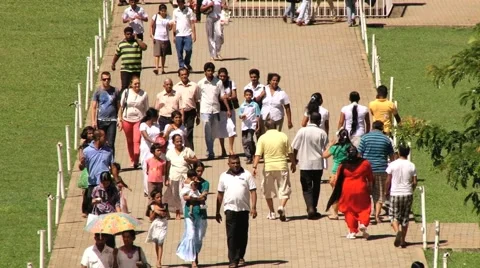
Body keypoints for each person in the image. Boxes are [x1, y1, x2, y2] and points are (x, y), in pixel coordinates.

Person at [216, 155, 257, 268]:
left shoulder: (247, 174)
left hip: (244, 210)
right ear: (228, 164)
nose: (236, 165)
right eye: (233, 163)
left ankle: (240, 256)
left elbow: (253, 191)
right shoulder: (223, 176)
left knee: (242, 235)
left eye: (237, 162)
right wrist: (217, 211)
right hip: (230, 210)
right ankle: (233, 260)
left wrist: (254, 207)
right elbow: (220, 194)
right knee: (231, 235)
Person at [252, 119, 296, 221]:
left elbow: (258, 154)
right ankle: (281, 206)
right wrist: (293, 163)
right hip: (282, 166)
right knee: (284, 189)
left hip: (268, 168)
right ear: (276, 126)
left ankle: (272, 212)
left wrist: (254, 167)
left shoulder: (262, 138)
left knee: (268, 191)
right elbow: (290, 152)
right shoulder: (283, 136)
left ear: (266, 127)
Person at [326, 146, 374, 240]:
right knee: (364, 208)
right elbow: (370, 178)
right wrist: (370, 187)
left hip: (347, 190)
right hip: (361, 188)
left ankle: (352, 231)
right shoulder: (365, 163)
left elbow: (338, 178)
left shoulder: (343, 165)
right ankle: (363, 223)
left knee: (349, 211)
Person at [291, 112, 328, 219]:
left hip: (304, 164)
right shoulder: (322, 132)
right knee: (316, 186)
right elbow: (326, 148)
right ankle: (314, 208)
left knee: (306, 188)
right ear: (319, 121)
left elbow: (295, 147)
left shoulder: (302, 131)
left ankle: (310, 207)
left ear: (309, 119)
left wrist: (294, 162)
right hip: (317, 164)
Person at [358, 121, 395, 224]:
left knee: (366, 193)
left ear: (373, 127)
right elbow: (392, 156)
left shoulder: (365, 138)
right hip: (381, 169)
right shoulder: (386, 139)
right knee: (379, 194)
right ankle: (377, 215)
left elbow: (359, 154)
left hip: (367, 169)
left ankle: (366, 214)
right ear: (382, 128)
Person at [79, 129, 119, 214]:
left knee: (110, 205)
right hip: (93, 184)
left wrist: (117, 180)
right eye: (104, 136)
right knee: (91, 208)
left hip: (106, 183)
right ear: (98, 138)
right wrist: (82, 163)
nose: (106, 138)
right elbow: (81, 168)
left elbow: (112, 166)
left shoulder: (108, 150)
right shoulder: (87, 151)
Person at [385, 145, 417, 248]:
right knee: (405, 217)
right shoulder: (412, 165)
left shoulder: (393, 164)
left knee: (394, 216)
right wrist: (412, 189)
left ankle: (397, 231)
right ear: (408, 153)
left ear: (398, 152)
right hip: (407, 193)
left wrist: (386, 191)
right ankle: (403, 240)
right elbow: (415, 181)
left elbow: (388, 180)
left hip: (395, 193)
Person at [177, 169, 209, 267]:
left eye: (200, 171)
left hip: (201, 213)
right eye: (197, 172)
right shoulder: (187, 183)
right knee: (191, 234)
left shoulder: (205, 183)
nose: (198, 174)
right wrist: (198, 198)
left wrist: (196, 198)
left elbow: (204, 197)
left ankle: (195, 256)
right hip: (189, 213)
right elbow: (186, 197)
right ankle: (193, 260)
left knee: (198, 237)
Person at [198, 62, 230, 159]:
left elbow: (222, 95)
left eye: (211, 71)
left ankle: (210, 149)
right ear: (205, 72)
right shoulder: (200, 83)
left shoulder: (218, 82)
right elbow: (198, 97)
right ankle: (210, 152)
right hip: (205, 110)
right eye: (208, 71)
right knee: (207, 131)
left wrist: (228, 108)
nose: (210, 72)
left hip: (216, 110)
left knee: (214, 132)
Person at [118, 77, 149, 168]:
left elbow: (146, 109)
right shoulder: (126, 92)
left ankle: (136, 160)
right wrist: (120, 120)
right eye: (135, 84)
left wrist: (147, 122)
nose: (137, 85)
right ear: (131, 84)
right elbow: (121, 106)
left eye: (138, 83)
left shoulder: (144, 94)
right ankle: (131, 159)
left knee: (137, 140)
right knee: (129, 141)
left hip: (139, 120)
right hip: (126, 120)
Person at [164, 134, 198, 219]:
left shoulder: (187, 150)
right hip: (174, 176)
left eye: (180, 141)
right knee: (176, 195)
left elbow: (196, 160)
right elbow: (167, 166)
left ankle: (187, 211)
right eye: (177, 141)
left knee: (186, 194)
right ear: (173, 142)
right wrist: (166, 178)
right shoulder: (170, 152)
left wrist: (189, 160)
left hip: (185, 176)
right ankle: (177, 212)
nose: (179, 143)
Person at [322, 129, 352, 220]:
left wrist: (330, 145)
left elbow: (324, 155)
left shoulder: (336, 147)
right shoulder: (350, 146)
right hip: (348, 172)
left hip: (335, 173)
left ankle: (335, 213)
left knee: (336, 193)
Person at [91, 72, 120, 156]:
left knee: (110, 143)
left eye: (108, 79)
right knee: (101, 141)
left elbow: (119, 106)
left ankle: (111, 162)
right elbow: (93, 107)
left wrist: (120, 119)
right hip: (101, 120)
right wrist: (93, 121)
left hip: (112, 120)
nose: (106, 81)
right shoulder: (98, 91)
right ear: (101, 80)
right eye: (104, 79)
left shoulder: (115, 91)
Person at [112, 27, 148, 93]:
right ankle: (121, 102)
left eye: (130, 34)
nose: (129, 36)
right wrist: (113, 64)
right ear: (124, 34)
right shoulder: (121, 44)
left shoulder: (137, 42)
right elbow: (117, 55)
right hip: (125, 69)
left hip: (136, 69)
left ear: (133, 34)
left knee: (135, 86)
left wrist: (137, 39)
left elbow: (144, 47)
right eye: (127, 34)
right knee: (124, 87)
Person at [91, 171, 122, 248]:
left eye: (107, 182)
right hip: (99, 216)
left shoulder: (114, 189)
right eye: (103, 182)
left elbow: (117, 203)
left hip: (110, 216)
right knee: (99, 237)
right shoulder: (96, 189)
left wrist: (119, 214)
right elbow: (92, 201)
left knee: (110, 237)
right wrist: (94, 201)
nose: (105, 184)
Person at [175, 67, 200, 150]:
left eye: (185, 74)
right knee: (180, 132)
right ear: (179, 76)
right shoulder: (176, 87)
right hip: (179, 113)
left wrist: (198, 114)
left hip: (190, 112)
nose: (184, 76)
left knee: (189, 132)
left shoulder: (194, 86)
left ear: (188, 74)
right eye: (182, 75)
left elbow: (197, 101)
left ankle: (190, 152)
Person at [139, 108, 161, 196]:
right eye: (156, 116)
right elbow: (145, 136)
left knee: (155, 168)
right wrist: (154, 142)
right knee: (146, 169)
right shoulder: (143, 125)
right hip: (146, 150)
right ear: (152, 117)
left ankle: (155, 188)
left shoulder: (157, 125)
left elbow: (160, 135)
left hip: (156, 150)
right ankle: (147, 190)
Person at [217, 67, 238, 156]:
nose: (222, 78)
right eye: (220, 76)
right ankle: (223, 149)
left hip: (230, 109)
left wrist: (227, 97)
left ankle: (231, 148)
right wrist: (222, 97)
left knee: (231, 128)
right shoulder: (216, 84)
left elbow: (234, 95)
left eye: (224, 76)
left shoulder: (231, 83)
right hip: (220, 110)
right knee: (221, 130)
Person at [146, 190, 169, 268]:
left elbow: (168, 216)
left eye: (160, 197)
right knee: (156, 242)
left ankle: (159, 261)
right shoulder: (151, 207)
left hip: (163, 225)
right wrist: (155, 212)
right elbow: (151, 218)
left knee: (160, 242)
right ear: (153, 199)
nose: (159, 199)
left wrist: (164, 213)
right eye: (157, 197)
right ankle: (157, 258)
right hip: (156, 225)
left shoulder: (165, 205)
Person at [150, 4, 174, 75]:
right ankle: (156, 68)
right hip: (157, 37)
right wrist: (151, 35)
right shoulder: (155, 16)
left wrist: (171, 25)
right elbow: (151, 25)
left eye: (164, 11)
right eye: (162, 11)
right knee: (157, 54)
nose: (163, 12)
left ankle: (162, 68)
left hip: (165, 38)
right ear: (159, 11)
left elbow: (170, 28)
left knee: (163, 54)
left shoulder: (169, 18)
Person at [172, 0, 196, 70]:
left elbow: (192, 23)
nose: (180, 4)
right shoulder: (175, 11)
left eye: (181, 2)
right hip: (178, 34)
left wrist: (194, 34)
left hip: (187, 33)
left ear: (183, 3)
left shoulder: (189, 10)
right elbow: (174, 23)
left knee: (189, 50)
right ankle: (181, 66)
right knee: (179, 51)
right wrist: (173, 36)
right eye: (178, 3)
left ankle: (187, 62)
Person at [239, 89, 260, 164]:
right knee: (244, 141)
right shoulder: (242, 105)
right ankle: (248, 156)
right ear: (244, 96)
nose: (248, 96)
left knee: (250, 139)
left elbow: (258, 115)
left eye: (249, 95)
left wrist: (258, 125)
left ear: (252, 95)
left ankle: (253, 153)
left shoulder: (255, 105)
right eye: (247, 95)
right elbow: (240, 115)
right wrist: (242, 116)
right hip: (245, 125)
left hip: (252, 125)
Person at [243, 68, 265, 139]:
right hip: (251, 113)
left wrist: (260, 97)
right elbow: (247, 100)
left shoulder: (263, 87)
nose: (253, 79)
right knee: (250, 132)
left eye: (255, 77)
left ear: (258, 77)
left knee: (260, 132)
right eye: (252, 77)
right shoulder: (247, 87)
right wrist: (259, 96)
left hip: (260, 112)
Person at [79, 126, 95, 218]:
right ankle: (85, 210)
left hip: (94, 169)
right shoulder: (83, 145)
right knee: (85, 191)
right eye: (89, 133)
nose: (91, 135)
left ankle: (92, 209)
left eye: (92, 133)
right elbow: (80, 159)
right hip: (86, 170)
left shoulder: (96, 144)